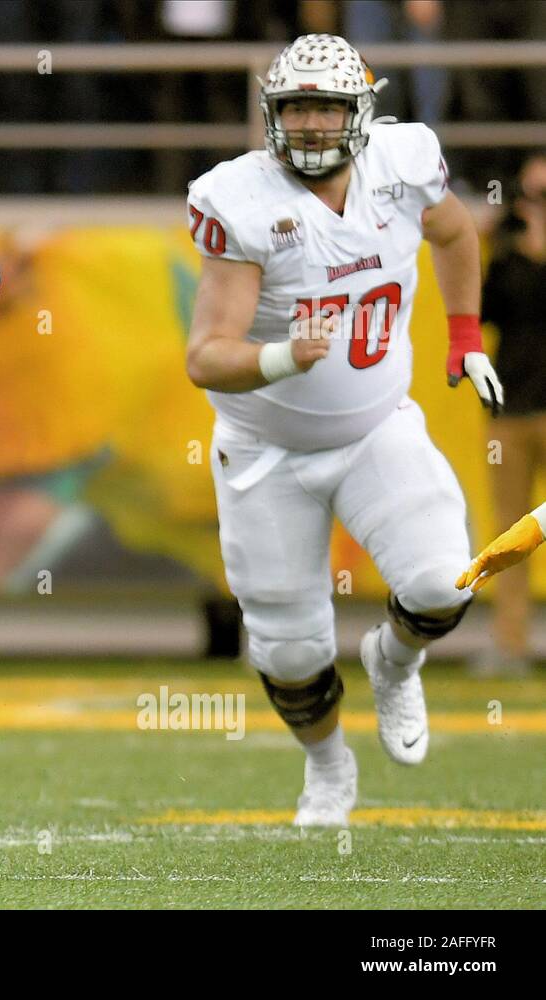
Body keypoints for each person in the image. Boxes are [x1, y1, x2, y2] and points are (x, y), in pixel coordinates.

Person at [184, 35, 502, 828]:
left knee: (441, 581)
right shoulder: (243, 201)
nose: (313, 124)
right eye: (297, 107)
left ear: (361, 112)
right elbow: (205, 357)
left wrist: (465, 334)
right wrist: (286, 355)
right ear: (272, 114)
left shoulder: (403, 165)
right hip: (266, 451)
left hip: (376, 428)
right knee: (288, 652)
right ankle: (328, 767)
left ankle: (394, 662)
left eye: (328, 106)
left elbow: (457, 234)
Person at [468, 154, 546, 674]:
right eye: (533, 195)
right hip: (513, 409)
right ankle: (511, 641)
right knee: (512, 534)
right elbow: (482, 312)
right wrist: (490, 246)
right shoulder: (506, 257)